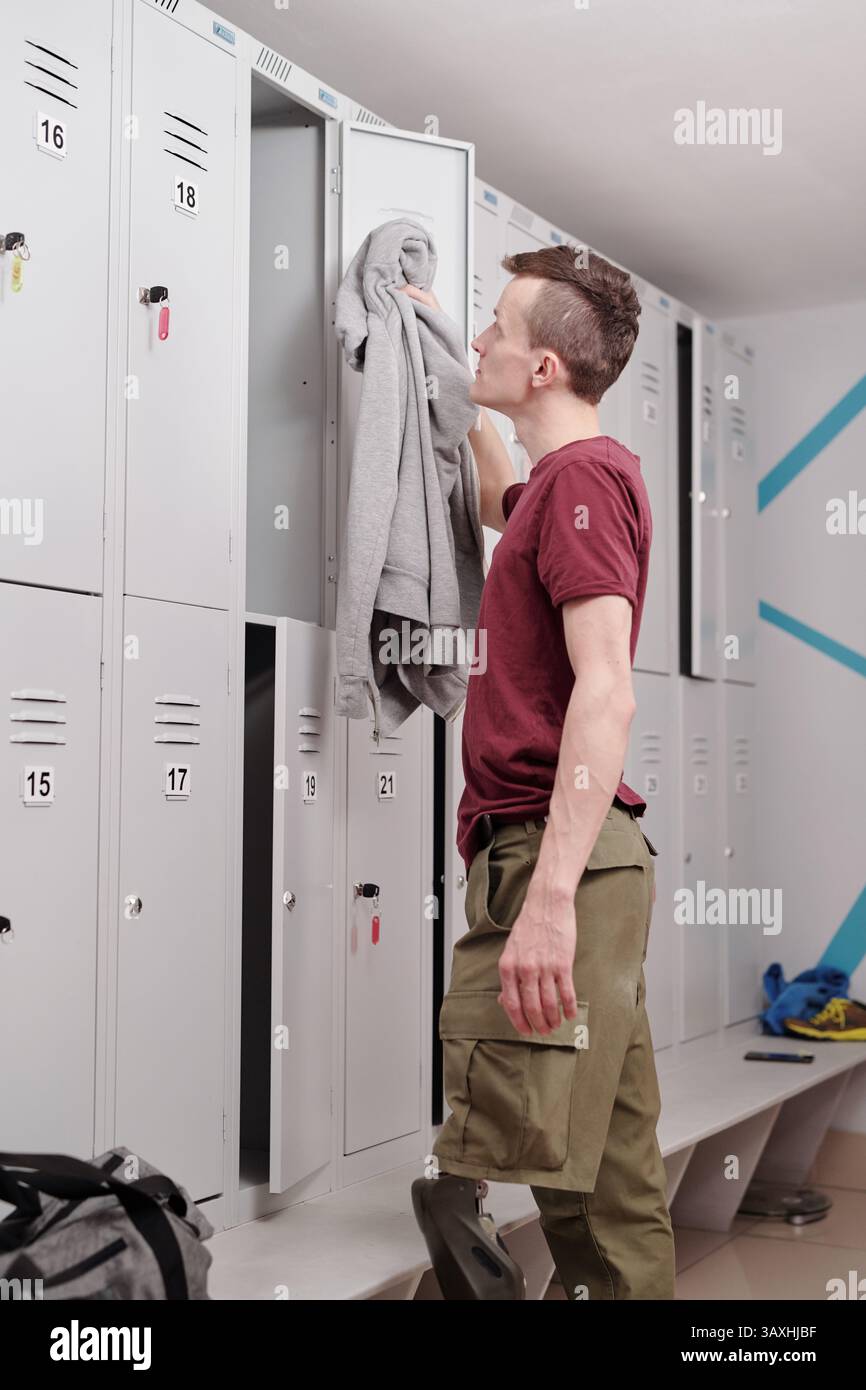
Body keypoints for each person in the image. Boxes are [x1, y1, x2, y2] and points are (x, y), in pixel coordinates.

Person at [402, 244, 675, 1300]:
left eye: (494, 331)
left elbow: (603, 693)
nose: (479, 341)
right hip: (568, 854)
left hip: (555, 854)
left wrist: (549, 898)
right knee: (601, 1175)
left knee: (532, 1154)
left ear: (547, 368)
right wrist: (440, 359)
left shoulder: (585, 484)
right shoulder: (564, 486)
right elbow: (497, 502)